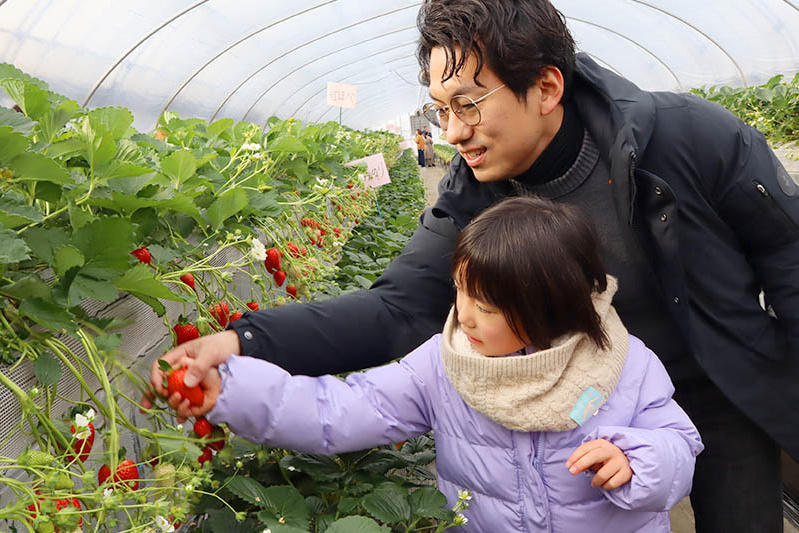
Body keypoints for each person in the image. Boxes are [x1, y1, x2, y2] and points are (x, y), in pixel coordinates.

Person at [146, 1, 799, 531]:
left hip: (719, 389)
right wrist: (246, 338)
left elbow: (786, 246)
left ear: (545, 87)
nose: (451, 131)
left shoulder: (687, 137)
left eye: (467, 103)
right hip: (582, 403)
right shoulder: (471, 194)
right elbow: (398, 309)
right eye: (440, 108)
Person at [200, 197, 704, 532]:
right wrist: (229, 389)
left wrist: (640, 462)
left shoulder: (621, 363)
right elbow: (340, 410)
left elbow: (679, 445)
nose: (464, 315)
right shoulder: (446, 364)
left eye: (486, 306)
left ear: (546, 306)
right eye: (460, 292)